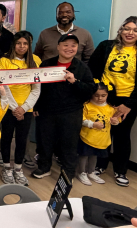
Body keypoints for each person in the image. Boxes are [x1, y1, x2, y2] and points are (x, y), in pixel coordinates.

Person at [88, 16, 137, 187]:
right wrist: (99, 93)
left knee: (122, 135)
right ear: (121, 30)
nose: (130, 33)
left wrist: (128, 105)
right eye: (127, 28)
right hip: (104, 97)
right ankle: (99, 166)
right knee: (103, 131)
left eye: (136, 30)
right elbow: (92, 69)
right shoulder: (106, 46)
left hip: (129, 100)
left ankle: (121, 171)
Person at [33, 34, 95, 182]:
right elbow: (38, 88)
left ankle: (68, 173)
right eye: (65, 45)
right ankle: (44, 167)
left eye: (73, 45)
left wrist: (75, 81)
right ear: (58, 47)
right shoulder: (47, 64)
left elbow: (90, 89)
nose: (69, 48)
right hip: (47, 111)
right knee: (44, 140)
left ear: (77, 48)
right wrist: (36, 106)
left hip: (71, 112)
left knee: (69, 143)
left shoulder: (82, 67)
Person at [0, 31, 41, 186]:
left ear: (29, 45)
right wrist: (15, 108)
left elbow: (36, 89)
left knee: (22, 140)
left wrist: (24, 108)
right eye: (19, 43)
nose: (22, 46)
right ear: (13, 45)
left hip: (26, 110)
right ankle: (6, 168)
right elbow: (2, 86)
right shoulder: (4, 61)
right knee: (7, 138)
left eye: (25, 44)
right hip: (8, 108)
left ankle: (18, 169)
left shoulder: (34, 62)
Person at [76, 82, 120, 186]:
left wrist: (115, 121)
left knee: (94, 155)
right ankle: (81, 172)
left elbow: (116, 119)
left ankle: (91, 172)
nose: (100, 98)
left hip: (101, 138)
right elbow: (81, 119)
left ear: (108, 95)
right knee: (84, 155)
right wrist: (92, 124)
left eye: (103, 95)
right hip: (87, 137)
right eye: (96, 95)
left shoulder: (110, 108)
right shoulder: (87, 106)